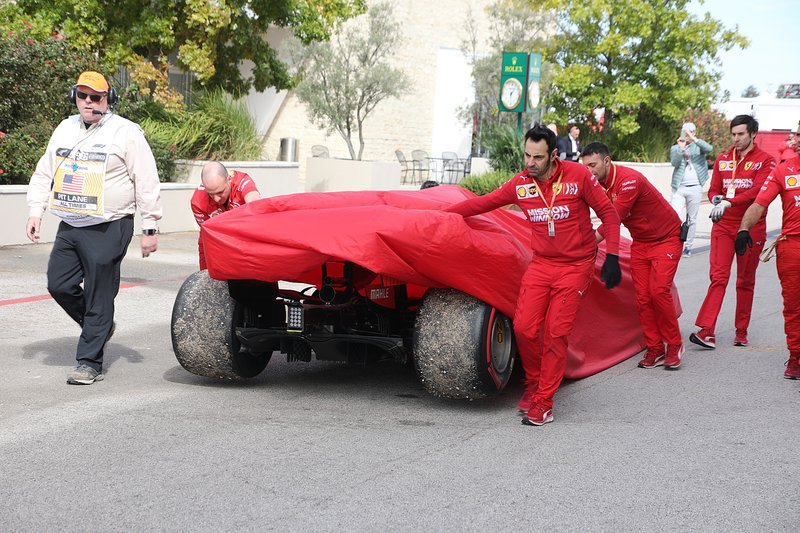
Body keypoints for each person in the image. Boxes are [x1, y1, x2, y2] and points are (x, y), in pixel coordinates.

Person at [445, 124, 622, 426]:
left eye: (537, 157)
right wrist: (443, 213)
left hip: (576, 265)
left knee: (555, 332)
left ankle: (544, 402)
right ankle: (535, 384)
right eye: (527, 155)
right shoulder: (520, 183)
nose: (530, 163)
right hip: (542, 265)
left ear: (553, 155)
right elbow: (481, 203)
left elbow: (610, 214)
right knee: (525, 327)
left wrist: (614, 256)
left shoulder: (578, 177)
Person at [25, 70, 162, 385]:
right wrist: (36, 210)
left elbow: (146, 179)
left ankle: (89, 362)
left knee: (100, 295)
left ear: (108, 99)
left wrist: (150, 224)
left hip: (109, 225)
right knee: (59, 284)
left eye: (96, 96)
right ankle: (98, 326)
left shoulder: (126, 132)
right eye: (83, 95)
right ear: (74, 97)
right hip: (70, 223)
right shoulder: (64, 129)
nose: (88, 102)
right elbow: (45, 171)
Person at [581, 142, 685, 369]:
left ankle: (674, 345)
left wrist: (587, 243)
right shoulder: (597, 184)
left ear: (607, 161)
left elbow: (613, 219)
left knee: (658, 292)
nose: (588, 171)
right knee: (642, 298)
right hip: (641, 243)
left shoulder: (630, 180)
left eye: (592, 165)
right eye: (585, 166)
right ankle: (655, 348)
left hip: (667, 238)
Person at [689, 114, 776, 350]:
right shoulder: (723, 158)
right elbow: (714, 188)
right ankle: (707, 331)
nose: (735, 139)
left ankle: (741, 330)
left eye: (740, 134)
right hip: (724, 226)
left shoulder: (766, 161)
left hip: (751, 227)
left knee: (745, 281)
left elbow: (758, 193)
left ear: (753, 134)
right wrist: (716, 198)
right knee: (718, 277)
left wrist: (730, 201)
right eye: (733, 134)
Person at [735, 127, 800, 378]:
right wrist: (744, 229)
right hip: (793, 246)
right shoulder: (784, 169)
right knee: (794, 306)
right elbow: (759, 204)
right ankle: (795, 357)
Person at [190, 161, 261, 270]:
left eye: (220, 192)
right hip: (214, 241)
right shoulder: (198, 201)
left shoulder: (241, 181)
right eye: (210, 194)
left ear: (229, 179)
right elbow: (210, 235)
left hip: (244, 238)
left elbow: (256, 209)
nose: (216, 199)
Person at [669, 122, 713, 257]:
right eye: (684, 132)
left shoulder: (698, 146)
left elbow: (709, 149)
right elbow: (674, 163)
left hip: (695, 187)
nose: (686, 135)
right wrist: (681, 149)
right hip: (679, 187)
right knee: (675, 216)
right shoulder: (676, 148)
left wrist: (694, 140)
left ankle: (688, 246)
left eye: (689, 132)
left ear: (694, 133)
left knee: (692, 219)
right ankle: (675, 244)